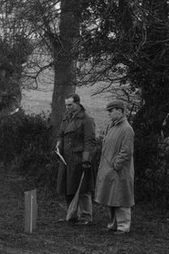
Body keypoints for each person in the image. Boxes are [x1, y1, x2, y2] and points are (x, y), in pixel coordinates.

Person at [56, 94, 98, 224]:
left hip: (79, 159)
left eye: (70, 105)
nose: (67, 107)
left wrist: (86, 159)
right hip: (66, 158)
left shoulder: (87, 120)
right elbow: (61, 135)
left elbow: (89, 142)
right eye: (66, 105)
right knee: (68, 187)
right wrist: (58, 144)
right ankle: (71, 215)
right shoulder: (66, 118)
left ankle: (86, 217)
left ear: (78, 103)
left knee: (83, 188)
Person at [95, 99, 135, 234]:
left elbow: (126, 152)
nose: (109, 114)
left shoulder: (126, 129)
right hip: (111, 169)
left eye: (111, 111)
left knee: (121, 197)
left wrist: (116, 165)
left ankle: (123, 226)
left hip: (120, 170)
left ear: (120, 111)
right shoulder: (113, 126)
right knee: (112, 197)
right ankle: (114, 224)